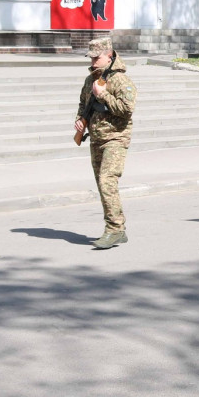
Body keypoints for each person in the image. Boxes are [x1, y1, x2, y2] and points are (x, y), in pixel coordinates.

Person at [74, 37, 137, 249]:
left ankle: (115, 229)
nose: (93, 60)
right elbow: (83, 104)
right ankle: (117, 228)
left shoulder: (120, 80)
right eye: (91, 57)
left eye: (96, 57)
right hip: (96, 138)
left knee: (107, 180)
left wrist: (103, 96)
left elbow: (127, 109)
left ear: (109, 55)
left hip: (116, 137)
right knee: (103, 185)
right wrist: (79, 120)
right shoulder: (90, 79)